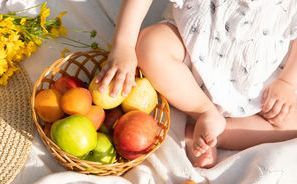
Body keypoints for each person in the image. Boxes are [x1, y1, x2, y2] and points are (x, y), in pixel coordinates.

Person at [94, 0, 297, 168]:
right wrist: (124, 45)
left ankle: (221, 134)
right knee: (150, 46)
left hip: (260, 80)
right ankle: (203, 111)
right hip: (191, 51)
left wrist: (288, 82)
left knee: (291, 121)